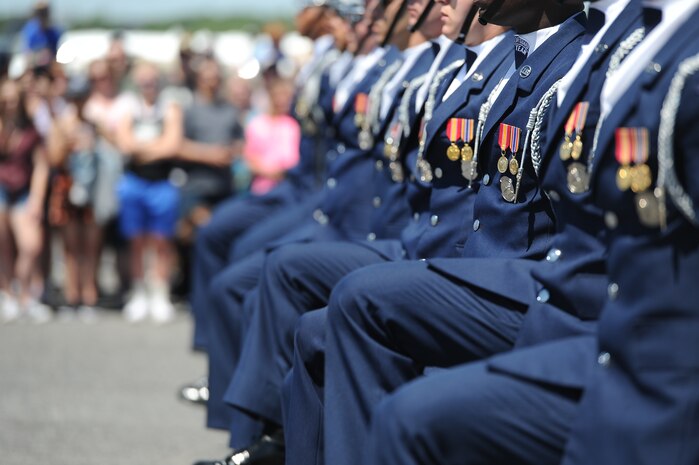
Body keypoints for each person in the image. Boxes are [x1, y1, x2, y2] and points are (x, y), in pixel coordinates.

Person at [115, 61, 183, 324]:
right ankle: (138, 291)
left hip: (162, 183)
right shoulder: (127, 106)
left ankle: (159, 292)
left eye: (152, 81)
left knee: (161, 240)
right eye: (143, 82)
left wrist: (143, 149)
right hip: (134, 182)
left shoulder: (170, 105)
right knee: (136, 241)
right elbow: (124, 142)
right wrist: (154, 147)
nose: (148, 86)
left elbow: (172, 145)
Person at [47, 75, 101, 320]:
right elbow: (53, 158)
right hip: (67, 188)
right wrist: (70, 144)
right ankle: (72, 297)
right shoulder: (61, 124)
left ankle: (89, 298)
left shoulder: (93, 124)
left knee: (90, 246)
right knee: (70, 247)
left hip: (90, 190)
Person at [0, 78, 50, 323]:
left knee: (30, 245)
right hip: (1, 188)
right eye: (5, 101)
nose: (10, 105)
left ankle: (25, 293)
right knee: (3, 244)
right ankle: (7, 293)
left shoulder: (31, 129)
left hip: (23, 190)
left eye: (13, 100)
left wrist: (37, 200)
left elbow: (42, 165)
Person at [242, 76, 300, 196]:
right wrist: (269, 172)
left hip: (287, 189)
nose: (283, 100)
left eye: (287, 96)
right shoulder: (256, 123)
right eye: (279, 95)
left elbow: (294, 160)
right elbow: (249, 158)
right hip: (260, 190)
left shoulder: (293, 125)